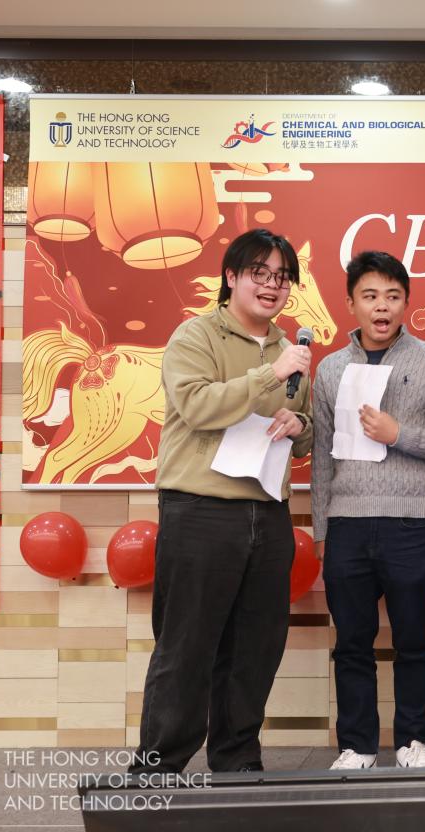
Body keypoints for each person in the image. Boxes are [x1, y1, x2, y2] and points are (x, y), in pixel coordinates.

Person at [133, 228, 314, 774]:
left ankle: (237, 761)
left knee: (255, 648)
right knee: (186, 646)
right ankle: (157, 769)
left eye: (281, 277)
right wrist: (270, 374)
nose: (272, 286)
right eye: (259, 273)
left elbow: (304, 430)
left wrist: (299, 425)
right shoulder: (196, 335)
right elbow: (196, 406)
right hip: (200, 510)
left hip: (269, 512)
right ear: (231, 277)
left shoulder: (291, 349)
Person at [311, 251, 425, 771]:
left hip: (411, 521)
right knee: (351, 644)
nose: (382, 307)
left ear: (406, 302)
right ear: (351, 304)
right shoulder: (331, 369)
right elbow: (323, 457)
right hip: (347, 524)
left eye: (393, 296)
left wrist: (398, 433)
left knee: (415, 641)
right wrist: (321, 528)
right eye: (371, 296)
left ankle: (413, 741)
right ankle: (357, 746)